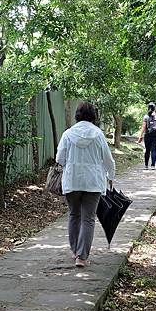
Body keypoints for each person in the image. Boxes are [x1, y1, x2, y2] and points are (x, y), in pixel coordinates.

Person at [56, 102, 116, 268]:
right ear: (93, 116)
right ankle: (82, 257)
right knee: (88, 219)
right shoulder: (98, 134)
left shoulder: (68, 134)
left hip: (72, 180)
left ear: (77, 115)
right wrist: (111, 176)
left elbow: (59, 158)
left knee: (74, 215)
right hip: (93, 182)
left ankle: (76, 251)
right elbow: (108, 159)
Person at [137, 102, 156, 169]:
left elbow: (143, 127)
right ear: (155, 108)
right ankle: (153, 166)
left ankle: (146, 165)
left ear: (148, 108)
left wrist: (140, 136)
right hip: (155, 135)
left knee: (147, 150)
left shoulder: (146, 116)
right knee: (153, 150)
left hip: (147, 135)